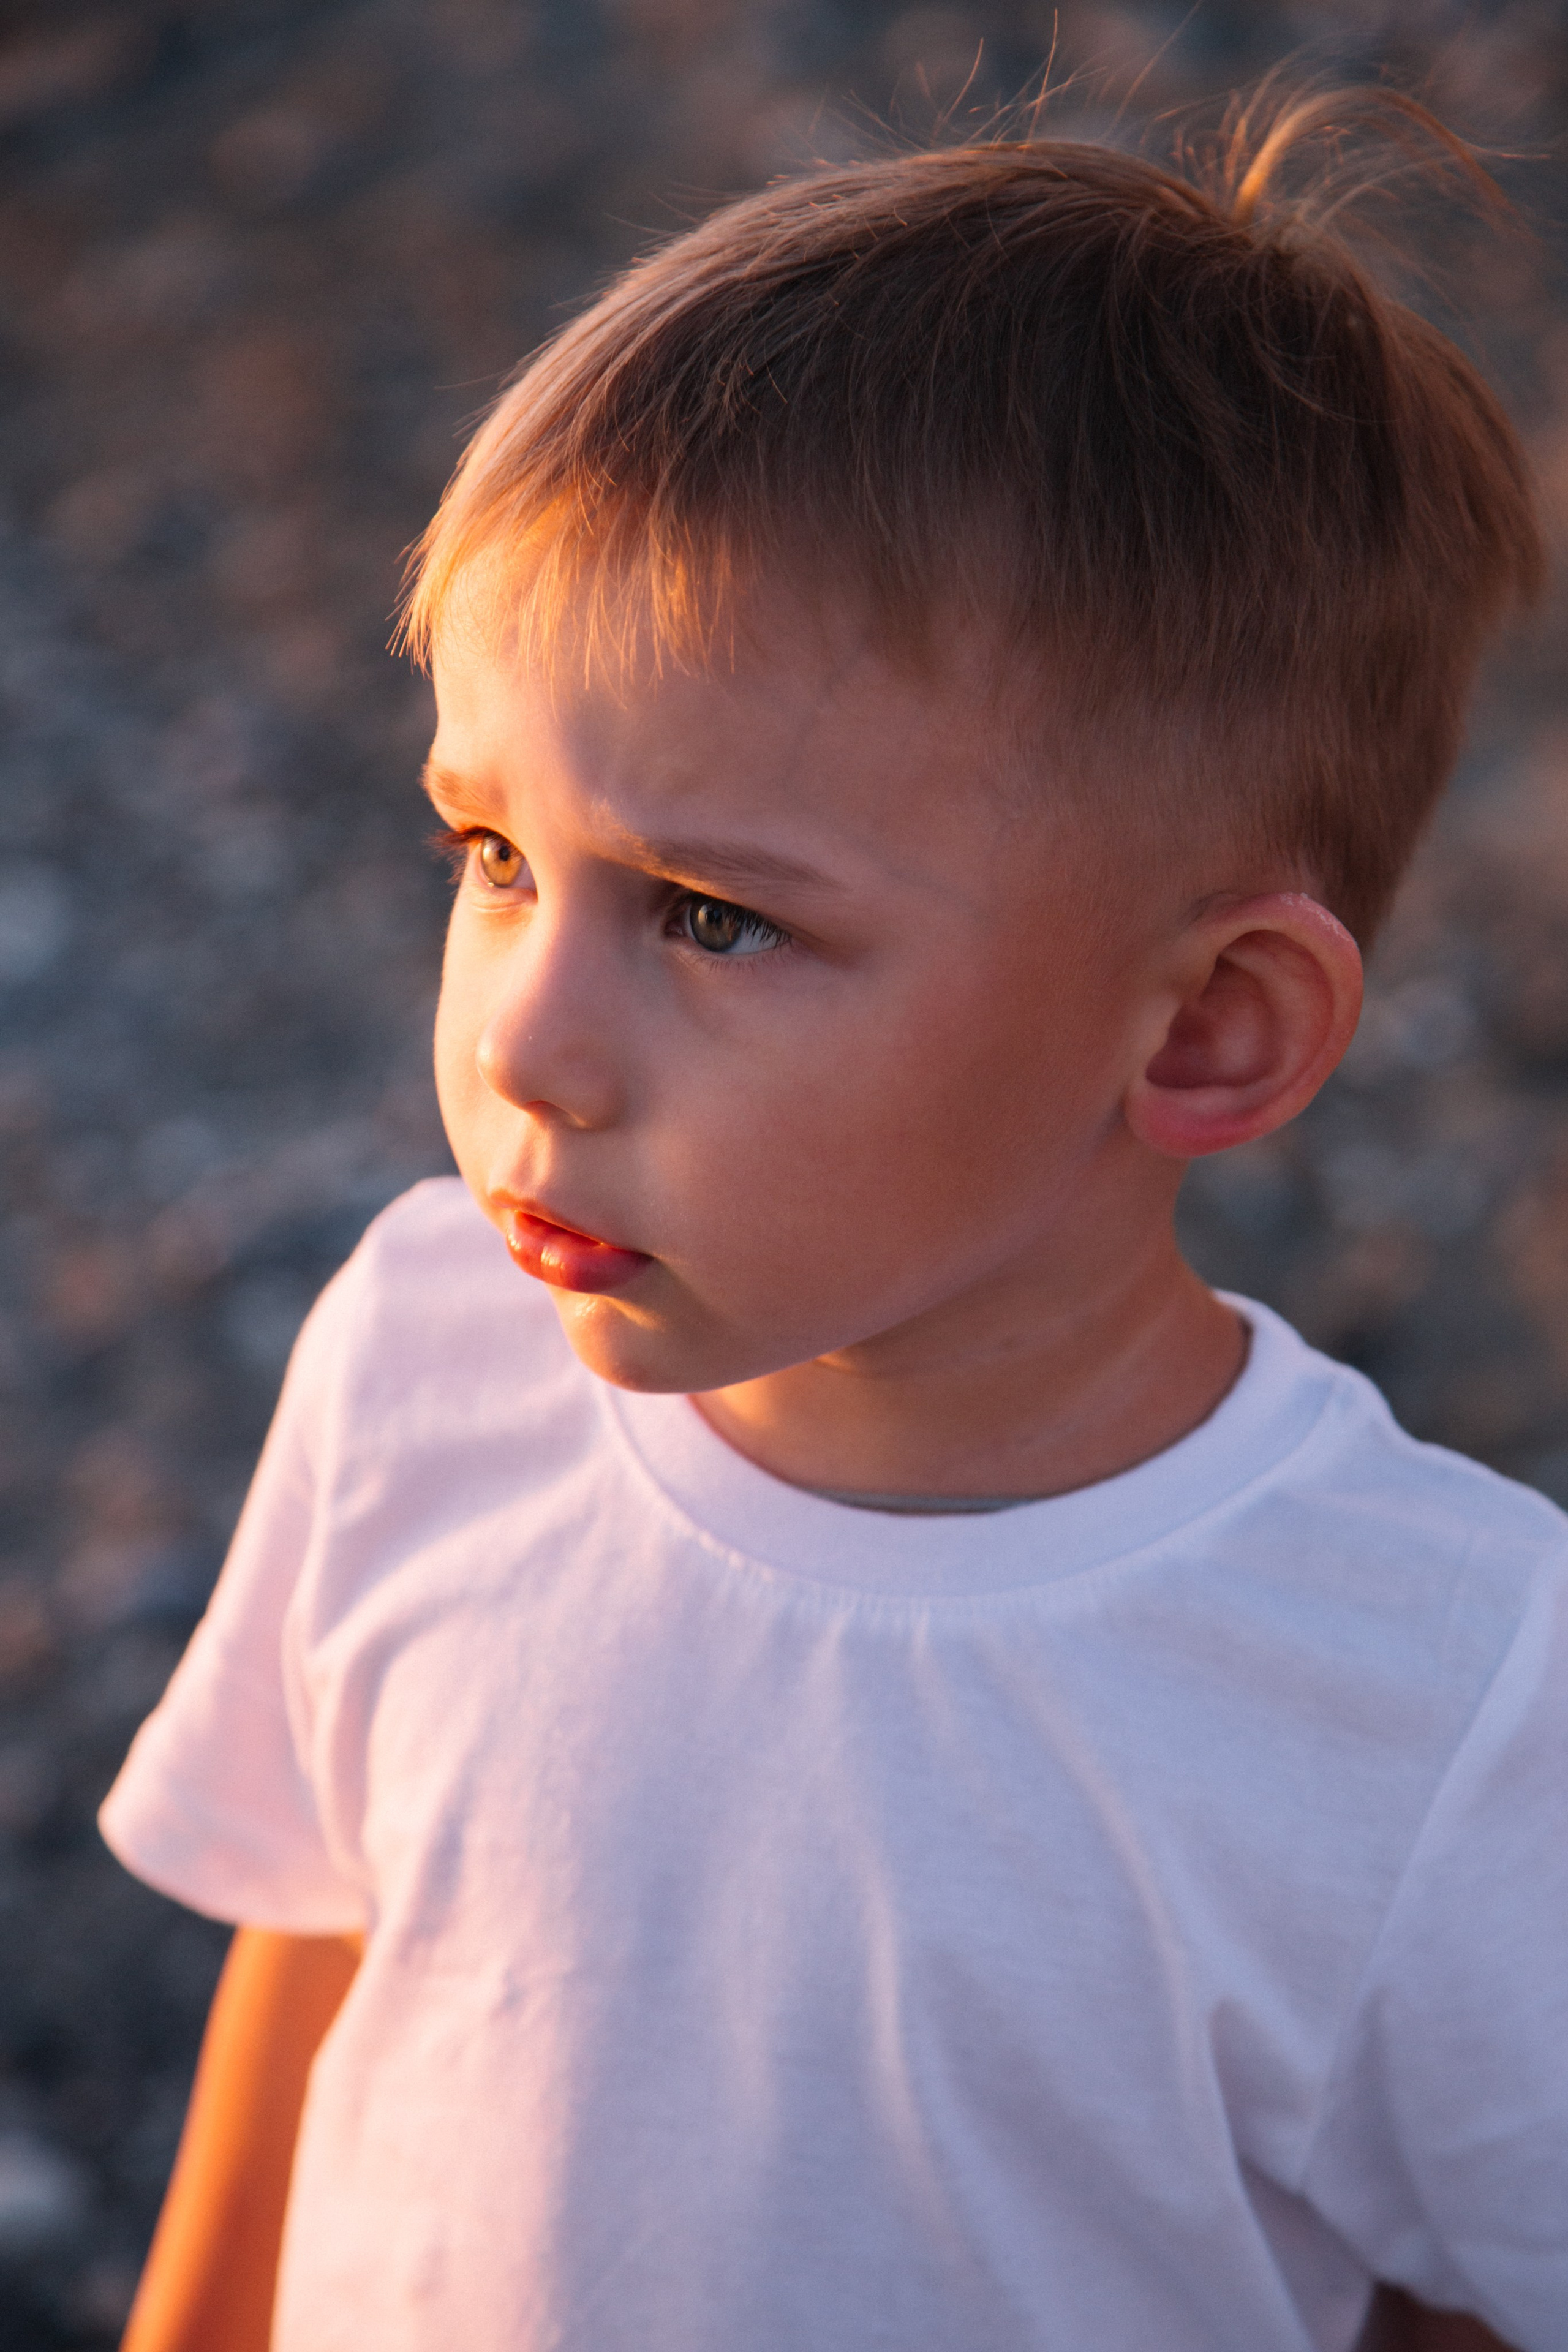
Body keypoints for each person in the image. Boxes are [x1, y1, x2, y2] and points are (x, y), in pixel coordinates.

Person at [100, 89, 1561, 2352]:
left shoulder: (1446, 1698)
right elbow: (325, 1940)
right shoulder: (420, 1355)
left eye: (712, 915)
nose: (524, 1044)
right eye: (495, 858)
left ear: (1206, 1030)